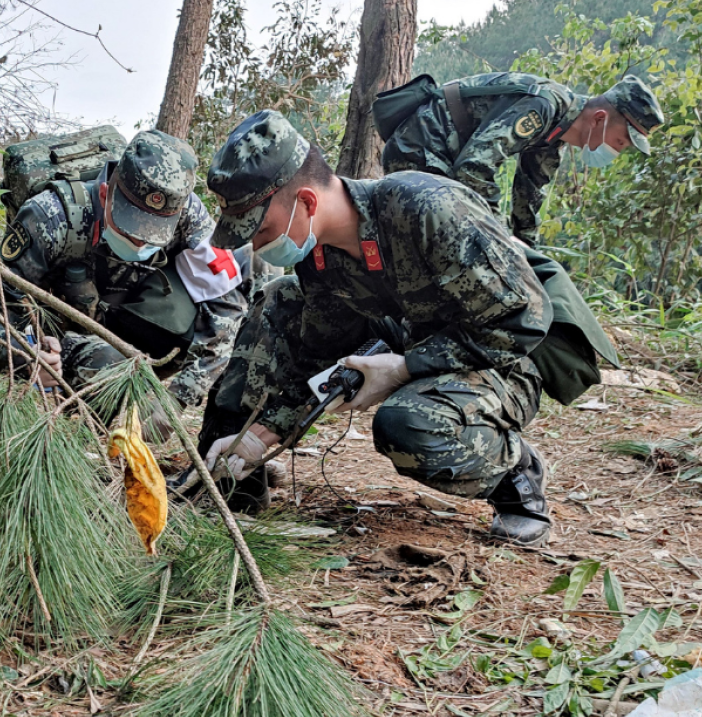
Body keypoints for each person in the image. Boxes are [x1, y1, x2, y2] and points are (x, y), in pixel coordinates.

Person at [194, 109, 558, 545]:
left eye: (261, 228)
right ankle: (230, 469)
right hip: (409, 343)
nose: (254, 244)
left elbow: (523, 322)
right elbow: (315, 353)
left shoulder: (425, 208)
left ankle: (515, 475)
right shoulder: (319, 256)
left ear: (307, 202)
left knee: (407, 424)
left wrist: (404, 368)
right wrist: (260, 435)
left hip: (504, 361)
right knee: (280, 299)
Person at [0, 129, 251, 439]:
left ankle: (218, 451)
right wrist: (29, 357)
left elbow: (227, 306)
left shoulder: (188, 214)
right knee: (107, 363)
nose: (140, 243)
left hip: (129, 316)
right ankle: (76, 439)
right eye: (130, 230)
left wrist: (177, 398)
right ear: (104, 195)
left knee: (250, 280)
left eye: (154, 235)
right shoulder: (49, 217)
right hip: (63, 335)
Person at [381, 73, 664, 246]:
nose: (617, 151)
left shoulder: (555, 137)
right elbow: (474, 169)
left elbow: (527, 203)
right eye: (620, 141)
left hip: (443, 156)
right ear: (600, 119)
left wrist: (531, 258)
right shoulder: (544, 106)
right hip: (421, 146)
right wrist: (502, 238)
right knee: (442, 242)